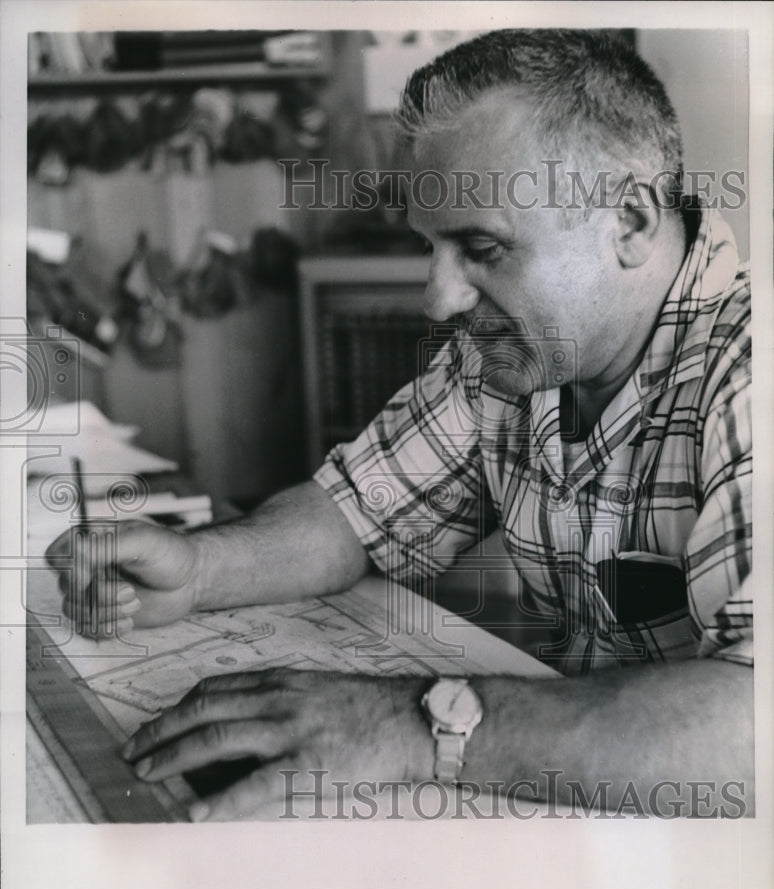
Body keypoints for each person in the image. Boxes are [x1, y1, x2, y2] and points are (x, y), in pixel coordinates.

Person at [45, 29, 753, 820]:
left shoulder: (749, 380)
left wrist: (417, 723)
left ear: (628, 221)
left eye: (480, 247)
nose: (438, 297)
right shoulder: (519, 351)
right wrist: (201, 569)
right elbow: (353, 513)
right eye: (431, 248)